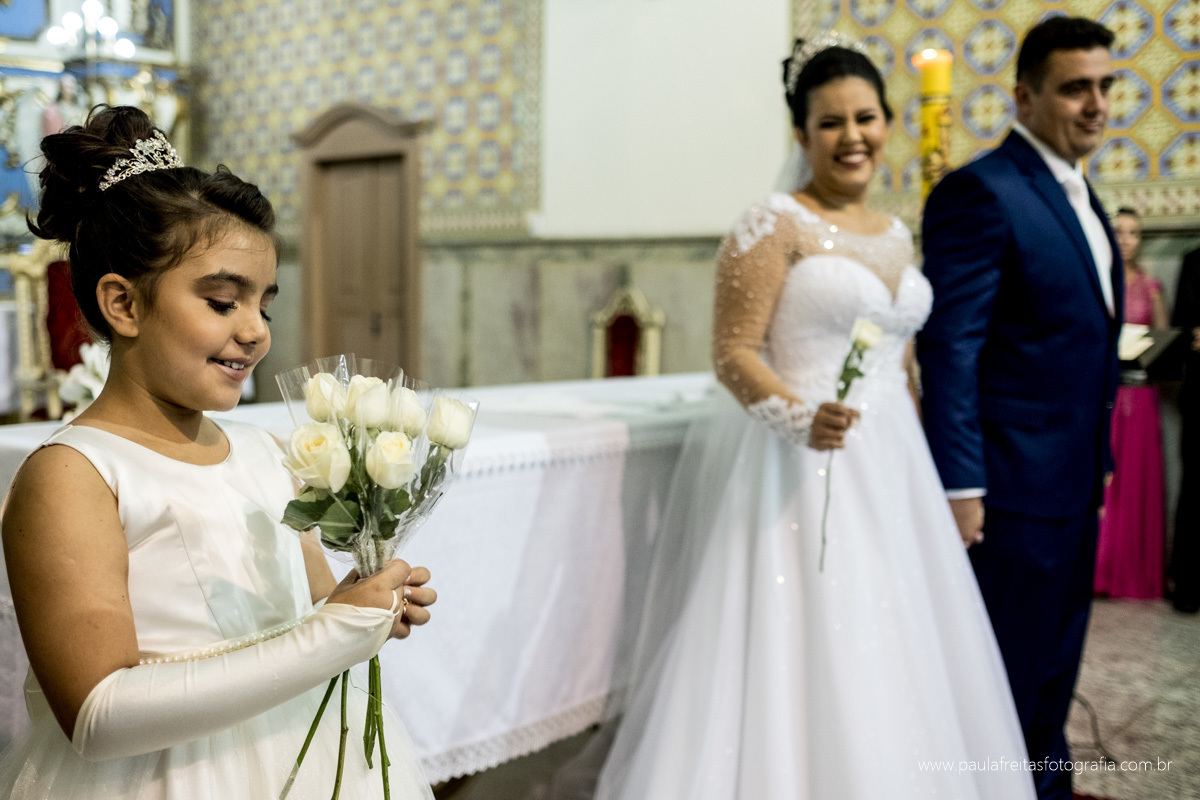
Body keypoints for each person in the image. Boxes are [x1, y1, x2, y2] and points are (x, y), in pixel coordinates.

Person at [579, 37, 1035, 800]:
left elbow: (902, 363)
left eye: (865, 118)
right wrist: (798, 418)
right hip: (799, 466)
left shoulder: (896, 233)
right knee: (806, 635)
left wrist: (939, 474)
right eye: (830, 123)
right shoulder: (772, 224)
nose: (852, 136)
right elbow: (732, 351)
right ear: (801, 134)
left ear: (887, 122)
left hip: (895, 465)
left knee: (903, 636)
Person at [0, 106, 436, 799]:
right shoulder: (74, 475)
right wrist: (332, 635)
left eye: (265, 305)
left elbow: (309, 610)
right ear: (124, 305)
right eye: (223, 302)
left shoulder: (265, 451)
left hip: (306, 753)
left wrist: (364, 603)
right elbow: (97, 714)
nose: (256, 331)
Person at [917, 17, 1122, 800]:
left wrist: (1101, 456)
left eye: (1105, 86)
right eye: (1076, 89)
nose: (1096, 104)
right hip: (1009, 491)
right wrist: (961, 485)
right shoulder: (983, 192)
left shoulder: (1082, 194)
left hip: (1073, 480)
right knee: (1003, 674)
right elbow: (951, 347)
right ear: (1025, 97)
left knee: (1054, 672)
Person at [1095, 208, 1168, 599]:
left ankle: (1133, 570)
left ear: (1141, 239)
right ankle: (1098, 569)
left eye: (1133, 232)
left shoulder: (1151, 286)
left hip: (1140, 396)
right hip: (1104, 392)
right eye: (1119, 231)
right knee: (1103, 477)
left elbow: (1164, 344)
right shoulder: (1099, 280)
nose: (1125, 239)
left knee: (1135, 477)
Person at [1171, 245, 1200, 613]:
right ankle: (1188, 583)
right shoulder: (1194, 261)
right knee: (1194, 488)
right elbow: (1182, 329)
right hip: (1198, 394)